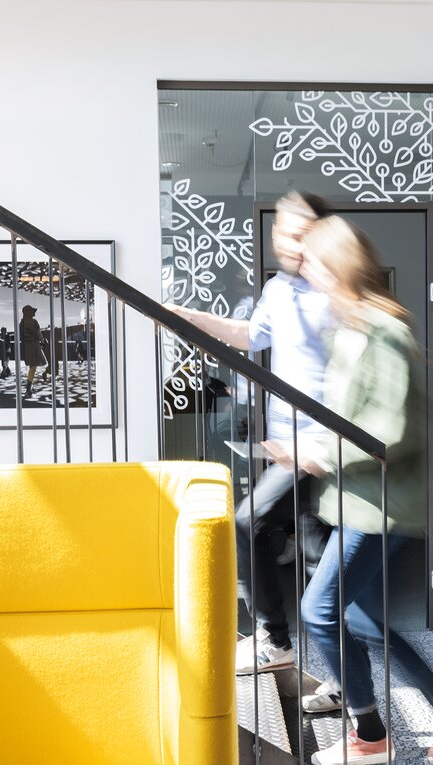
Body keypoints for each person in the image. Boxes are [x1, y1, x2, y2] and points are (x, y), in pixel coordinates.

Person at [276, 216, 433, 765]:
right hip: (356, 501)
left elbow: (393, 432)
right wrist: (306, 443)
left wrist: (319, 454)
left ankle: (369, 732)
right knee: (362, 622)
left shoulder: (385, 331)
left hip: (381, 507)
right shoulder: (352, 331)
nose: (305, 270)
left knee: (318, 611)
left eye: (313, 262)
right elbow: (349, 417)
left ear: (338, 266)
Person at [168, 192, 335, 679]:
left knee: (250, 523)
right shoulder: (279, 289)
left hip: (322, 447)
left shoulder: (333, 292)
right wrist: (189, 317)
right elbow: (250, 336)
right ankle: (350, 689)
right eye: (282, 231)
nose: (286, 241)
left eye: (298, 232)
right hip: (288, 450)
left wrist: (324, 441)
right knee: (317, 561)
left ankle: (276, 640)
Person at [19, 304, 48, 399]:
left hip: (26, 347)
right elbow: (38, 333)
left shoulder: (22, 323)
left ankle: (29, 388)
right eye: (32, 311)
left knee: (32, 367)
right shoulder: (34, 322)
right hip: (34, 346)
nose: (34, 313)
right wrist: (43, 341)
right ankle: (28, 389)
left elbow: (21, 337)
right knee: (33, 368)